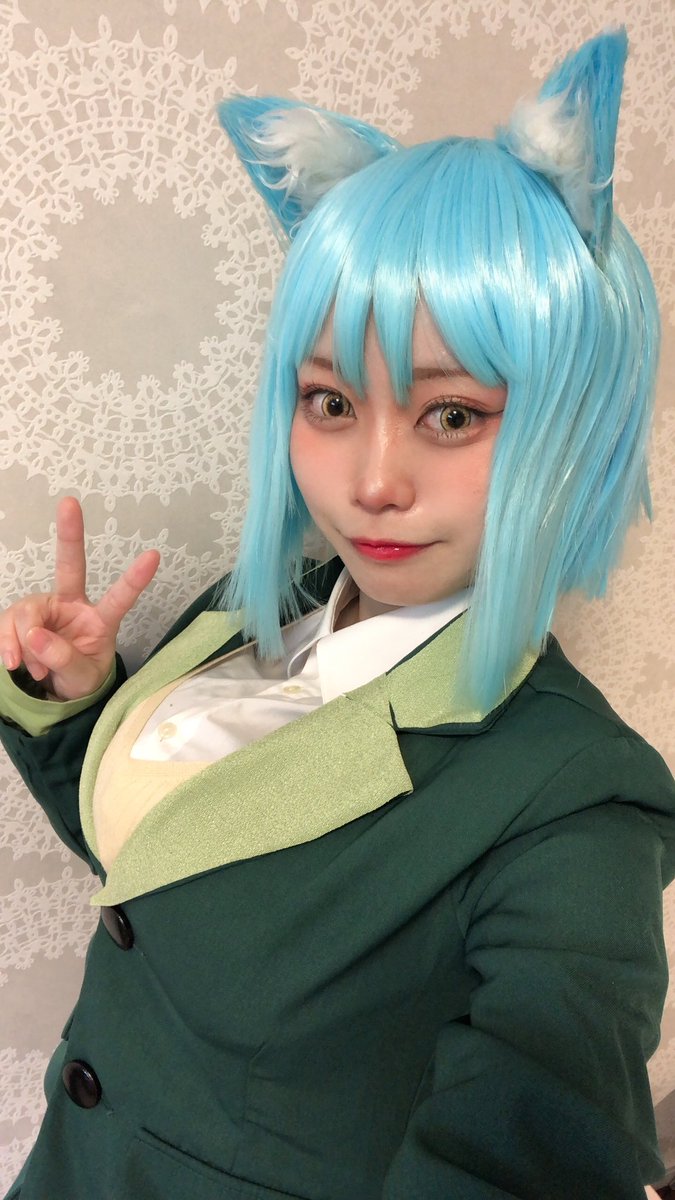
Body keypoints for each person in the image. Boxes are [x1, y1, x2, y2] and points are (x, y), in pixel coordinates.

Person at [1, 27, 673, 1200]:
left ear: (575, 432)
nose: (371, 482)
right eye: (329, 402)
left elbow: (545, 1119)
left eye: (452, 415)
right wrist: (77, 710)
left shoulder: (575, 808)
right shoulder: (257, 615)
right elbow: (172, 869)